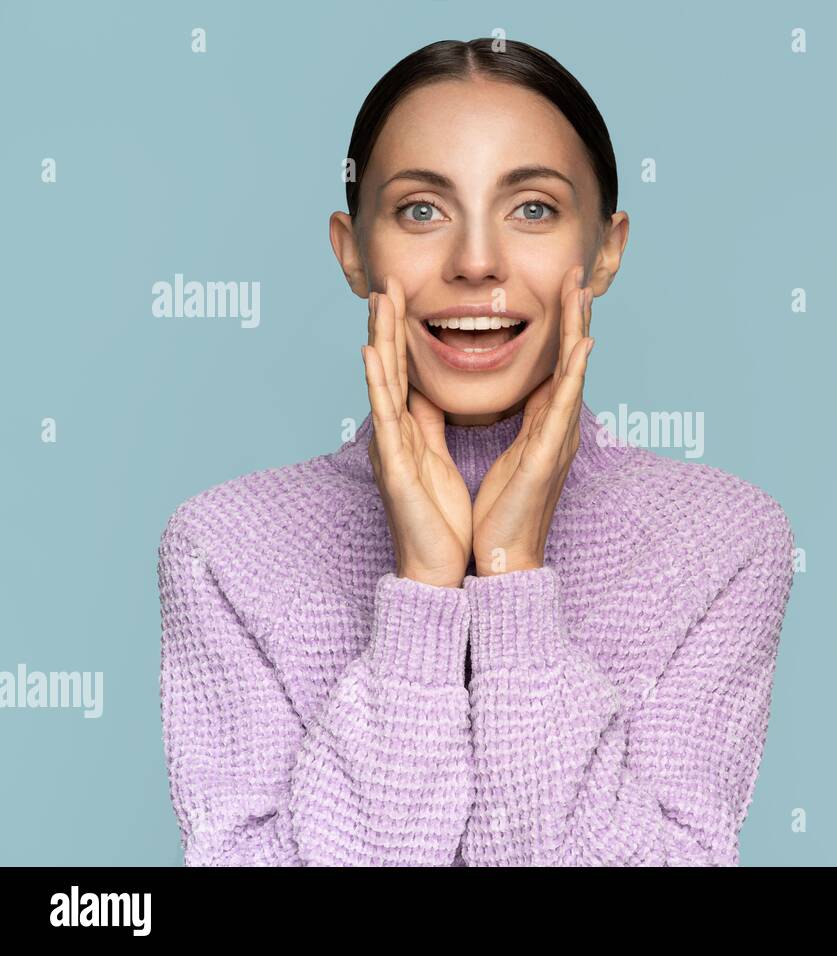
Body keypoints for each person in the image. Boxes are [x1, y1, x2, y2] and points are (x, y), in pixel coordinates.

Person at [157, 38, 796, 866]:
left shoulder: (726, 543)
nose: (476, 263)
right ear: (353, 251)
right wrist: (423, 589)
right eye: (422, 209)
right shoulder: (223, 549)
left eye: (532, 207)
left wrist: (512, 571)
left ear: (606, 249)